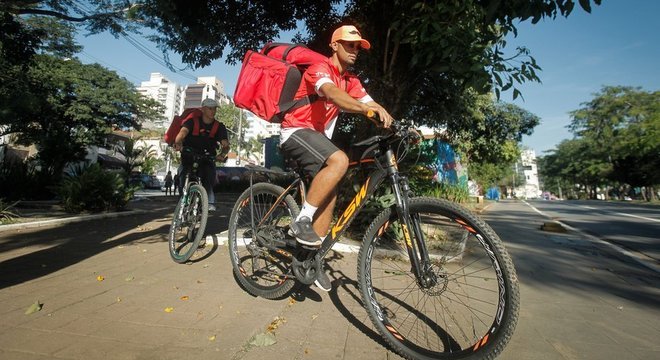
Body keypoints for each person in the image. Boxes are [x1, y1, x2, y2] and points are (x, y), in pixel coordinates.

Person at [279, 25, 394, 291]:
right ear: (334, 46)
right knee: (339, 161)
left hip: (317, 139)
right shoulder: (319, 68)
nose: (355, 50)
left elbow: (373, 104)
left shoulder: (351, 81)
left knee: (330, 195)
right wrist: (364, 110)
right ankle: (301, 220)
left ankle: (310, 259)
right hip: (296, 131)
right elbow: (333, 94)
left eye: (357, 47)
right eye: (349, 44)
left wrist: (396, 124)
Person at [173, 98, 230, 211]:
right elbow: (182, 133)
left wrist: (223, 153)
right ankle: (183, 201)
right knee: (183, 175)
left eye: (214, 108)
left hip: (207, 157)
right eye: (210, 108)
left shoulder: (219, 126)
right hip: (189, 155)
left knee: (209, 176)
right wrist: (178, 143)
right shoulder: (192, 121)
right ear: (203, 109)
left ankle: (207, 200)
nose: (213, 111)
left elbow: (225, 144)